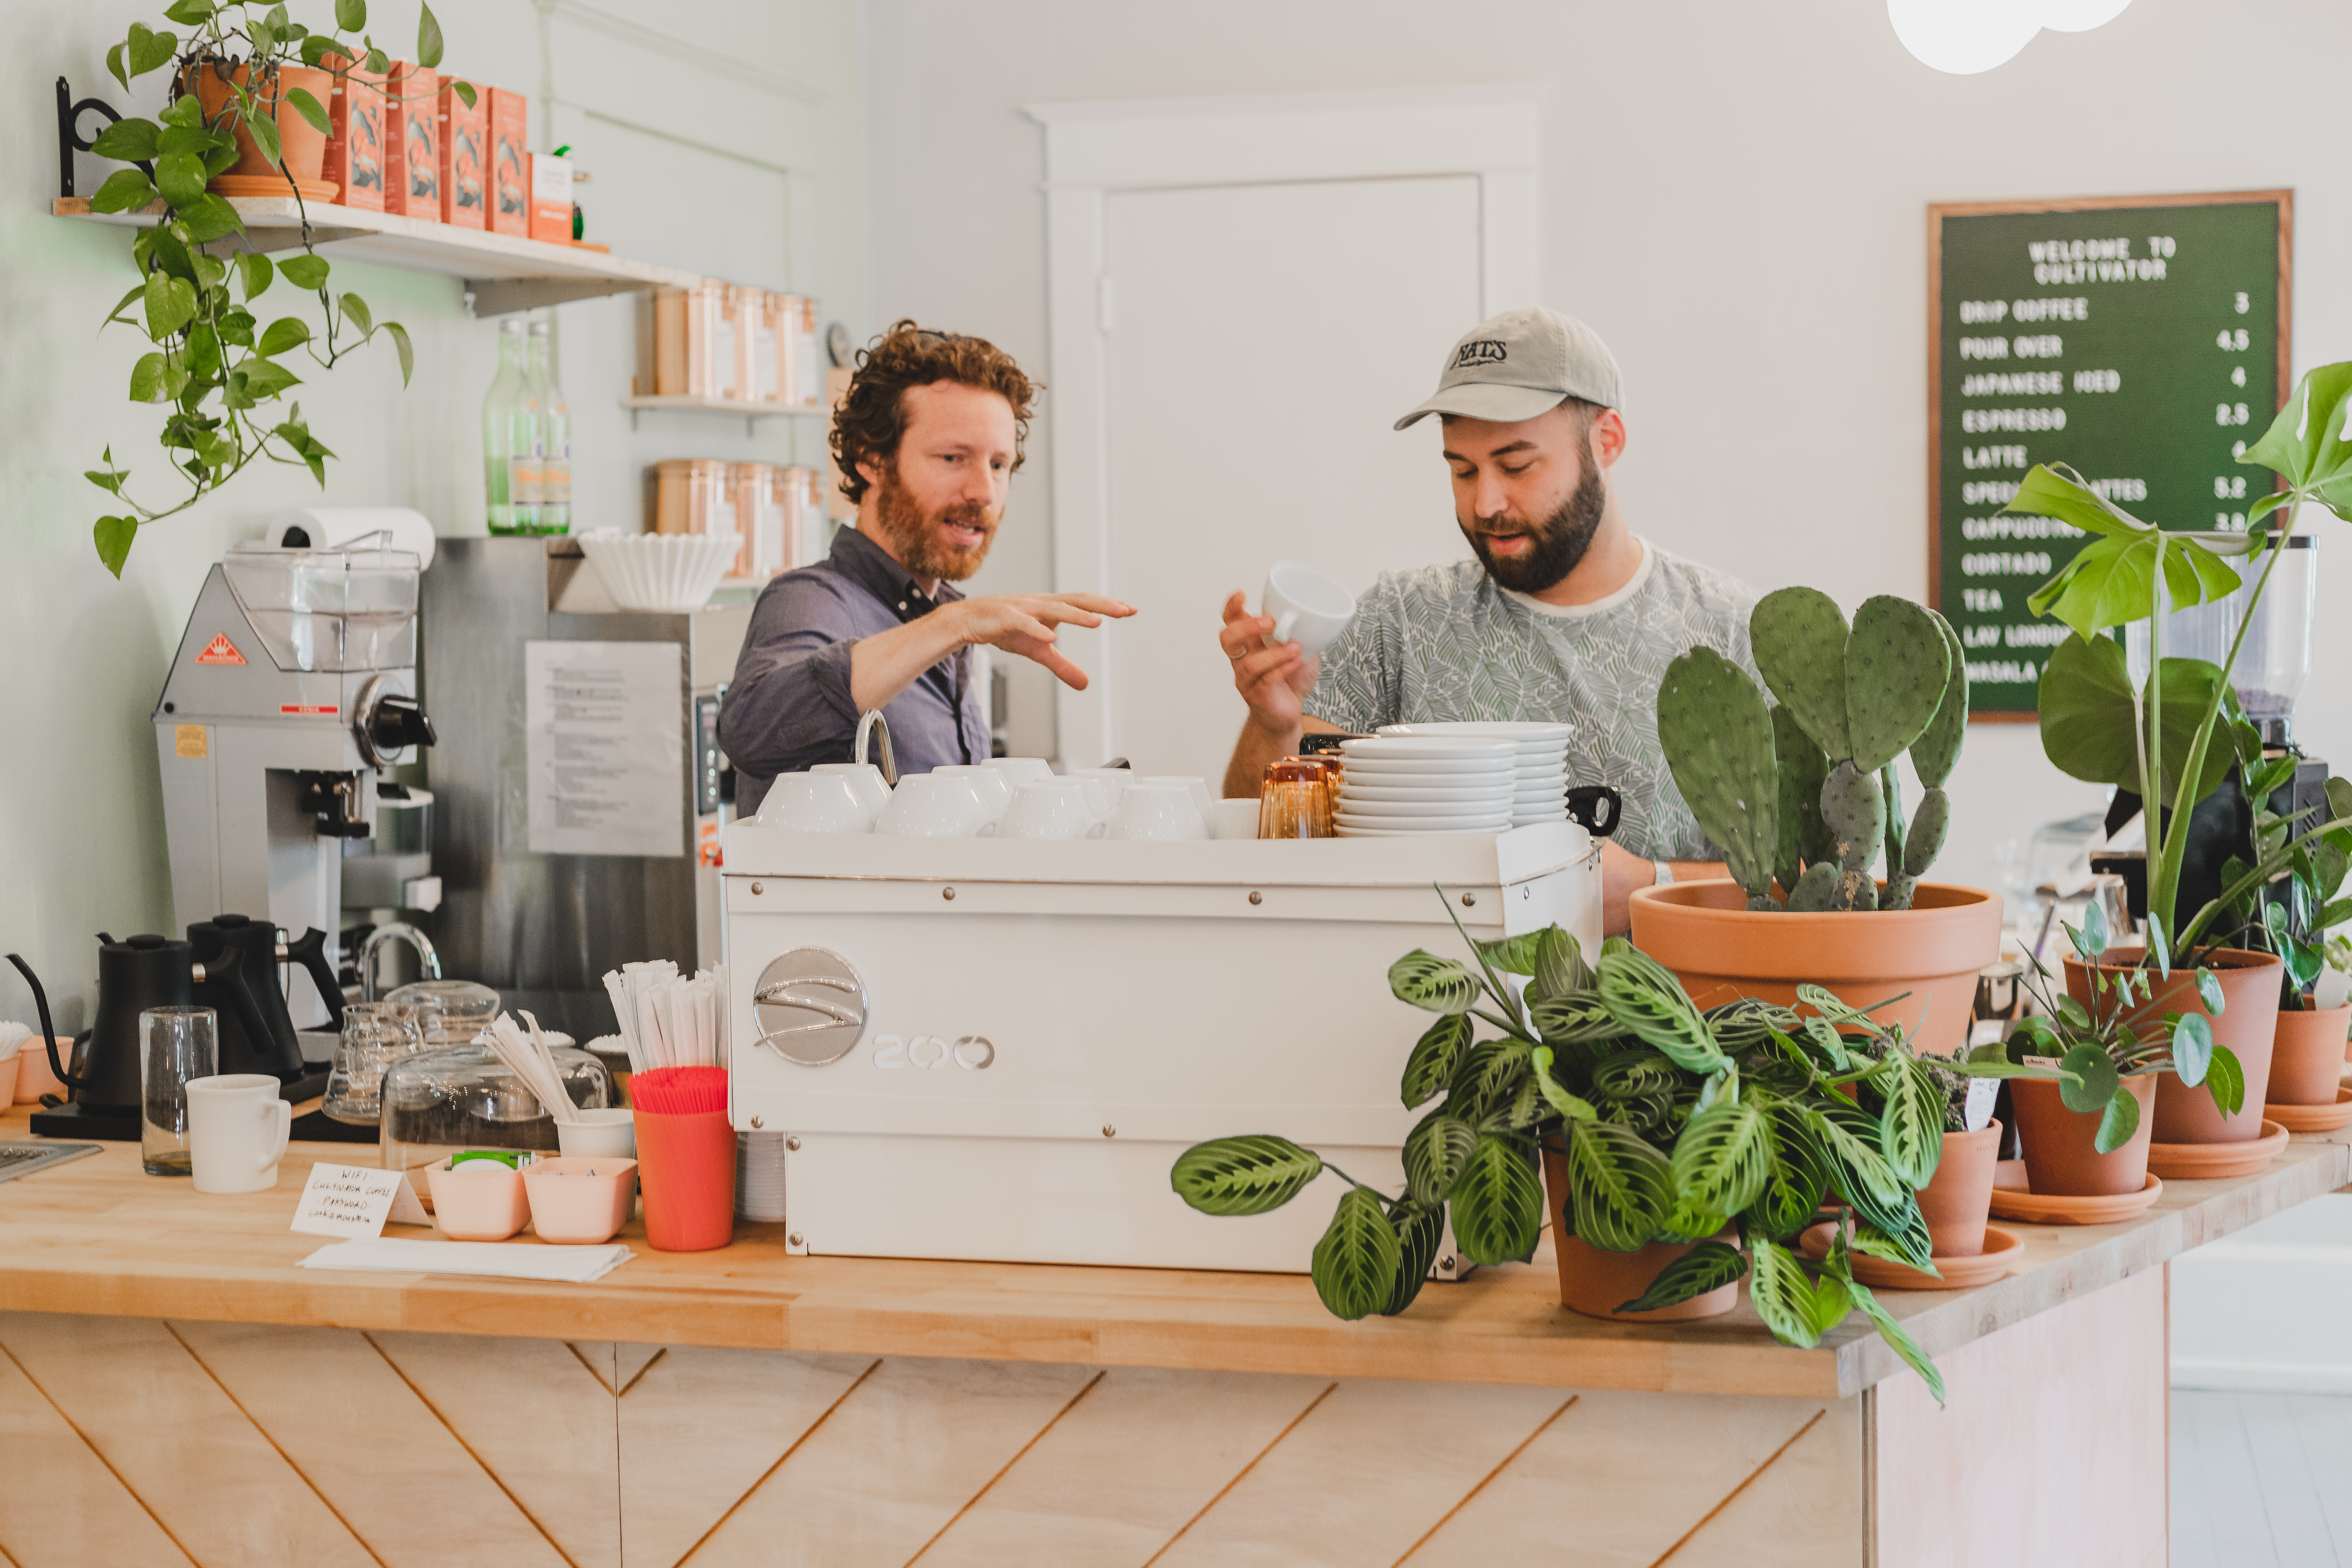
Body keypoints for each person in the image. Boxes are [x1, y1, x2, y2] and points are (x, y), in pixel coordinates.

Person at [1217, 306, 1758, 933]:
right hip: (1428, 1026)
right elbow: (1266, 859)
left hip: (1677, 1027)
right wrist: (1272, 727)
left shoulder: (1730, 634)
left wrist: (1653, 888)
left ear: (1607, 441)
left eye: (1518, 465)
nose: (1485, 504)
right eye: (1462, 470)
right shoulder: (1398, 621)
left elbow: (1826, 888)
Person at [723, 322, 1134, 815]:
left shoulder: (945, 621)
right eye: (952, 457)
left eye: (999, 465)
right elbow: (750, 729)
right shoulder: (810, 600)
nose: (984, 491)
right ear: (870, 459)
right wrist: (954, 625)